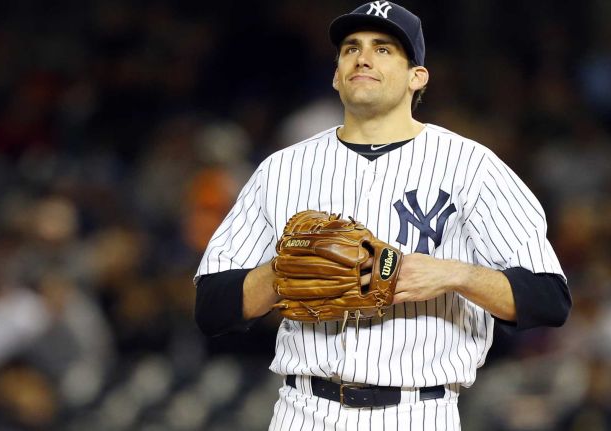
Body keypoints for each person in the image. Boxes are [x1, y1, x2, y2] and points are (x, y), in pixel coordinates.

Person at [194, 2, 571, 430]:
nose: (363, 57)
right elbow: (211, 306)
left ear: (417, 77)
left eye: (384, 48)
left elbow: (549, 298)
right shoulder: (281, 170)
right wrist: (283, 272)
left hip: (417, 412)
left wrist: (456, 275)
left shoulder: (472, 166)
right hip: (303, 409)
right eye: (351, 48)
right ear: (336, 75)